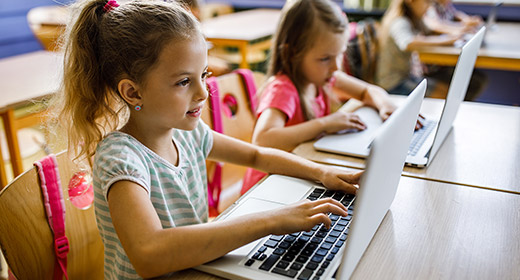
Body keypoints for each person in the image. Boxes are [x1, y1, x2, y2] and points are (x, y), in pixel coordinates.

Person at [50, 0, 363, 278]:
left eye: (204, 75)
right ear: (133, 92)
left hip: (197, 268)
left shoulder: (188, 133)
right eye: (184, 81)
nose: (202, 93)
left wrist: (322, 173)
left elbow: (257, 156)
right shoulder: (120, 157)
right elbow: (149, 254)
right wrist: (271, 221)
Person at [240, 0, 399, 195]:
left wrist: (387, 108)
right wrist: (324, 124)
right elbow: (263, 140)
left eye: (339, 55)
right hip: (267, 187)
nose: (335, 67)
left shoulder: (322, 76)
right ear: (292, 54)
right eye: (325, 58)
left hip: (298, 176)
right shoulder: (283, 89)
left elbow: (369, 91)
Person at [375, 0, 485, 100]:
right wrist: (447, 40)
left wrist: (458, 32)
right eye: (426, 2)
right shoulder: (399, 21)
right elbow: (408, 42)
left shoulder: (413, 19)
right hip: (394, 84)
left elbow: (431, 31)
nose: (428, 7)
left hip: (407, 76)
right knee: (449, 93)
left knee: (458, 87)